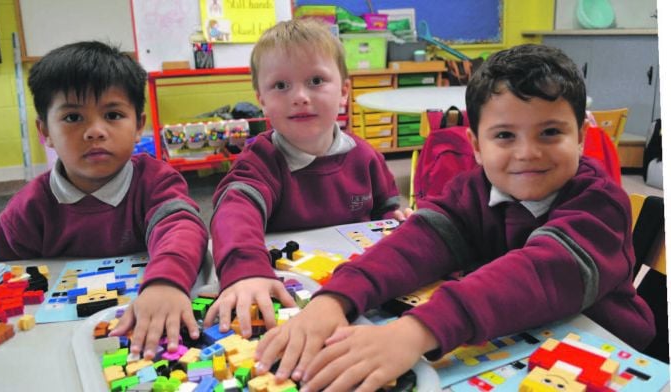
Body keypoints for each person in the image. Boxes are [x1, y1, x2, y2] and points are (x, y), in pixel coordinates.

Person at [254, 43, 655, 391]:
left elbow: (538, 273)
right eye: (504, 135)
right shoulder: (472, 189)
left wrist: (416, 331)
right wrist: (336, 298)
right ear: (476, 145)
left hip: (610, 354)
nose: (527, 152)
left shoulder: (600, 202)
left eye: (550, 132)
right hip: (518, 342)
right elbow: (417, 243)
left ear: (582, 138)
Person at [0, 41, 209, 360]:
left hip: (139, 326)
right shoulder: (25, 211)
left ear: (139, 126)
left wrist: (165, 282)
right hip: (54, 343)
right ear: (44, 132)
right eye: (73, 117)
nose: (95, 131)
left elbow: (183, 227)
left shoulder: (156, 181)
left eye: (113, 114)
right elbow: (7, 289)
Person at [203, 18, 407, 339]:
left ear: (344, 91)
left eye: (315, 80)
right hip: (282, 290)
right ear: (261, 98)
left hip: (352, 292)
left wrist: (395, 221)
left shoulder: (366, 156)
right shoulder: (260, 160)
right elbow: (233, 212)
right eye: (281, 86)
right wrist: (246, 271)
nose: (299, 96)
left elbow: (385, 212)